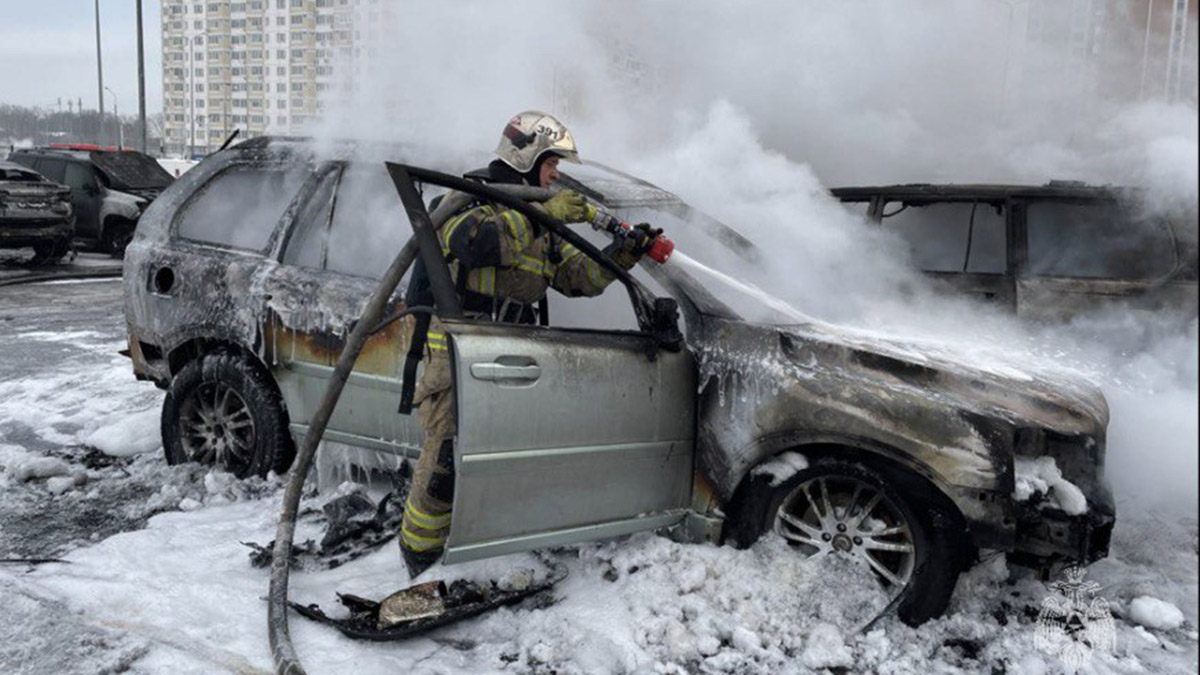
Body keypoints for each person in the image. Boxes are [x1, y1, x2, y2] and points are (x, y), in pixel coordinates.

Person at [398, 111, 664, 576]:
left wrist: (626, 253)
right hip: (458, 358)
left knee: (495, 463)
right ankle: (418, 558)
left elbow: (576, 279)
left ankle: (475, 551)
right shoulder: (466, 201)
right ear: (527, 156)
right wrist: (544, 213)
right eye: (551, 164)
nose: (557, 176)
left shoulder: (535, 220)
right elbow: (475, 244)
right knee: (444, 465)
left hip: (514, 360)